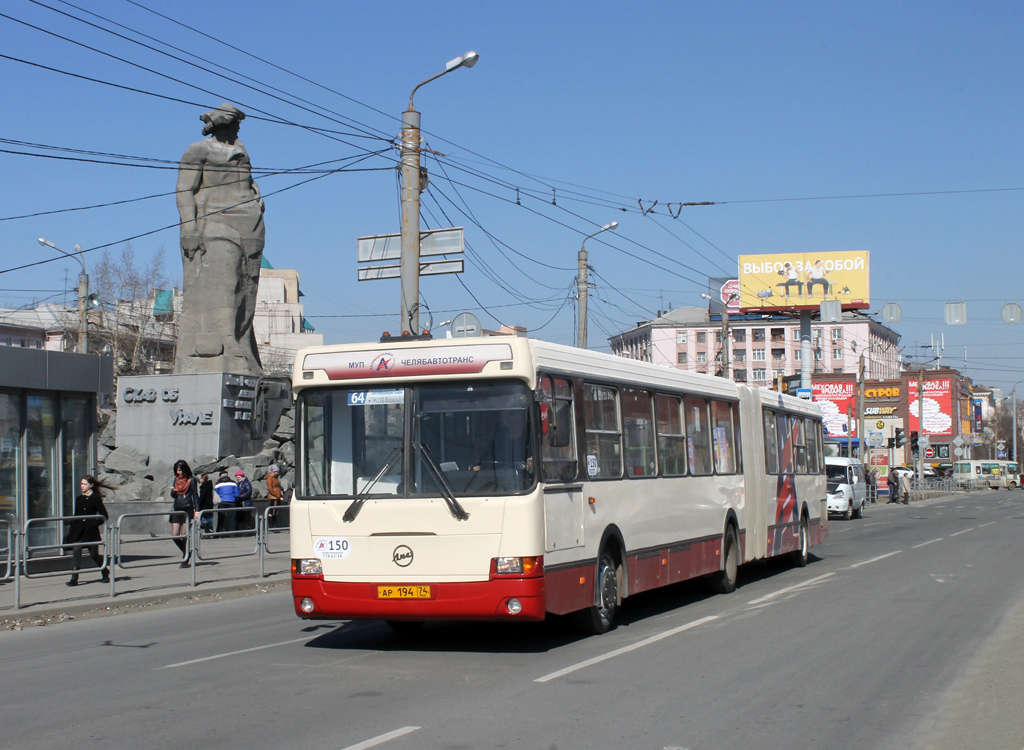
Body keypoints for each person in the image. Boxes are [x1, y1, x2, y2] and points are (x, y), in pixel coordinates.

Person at [175, 102, 265, 376]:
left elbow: (246, 181)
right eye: (233, 123)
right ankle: (219, 344)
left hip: (250, 225)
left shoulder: (241, 147)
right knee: (223, 282)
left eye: (238, 124)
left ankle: (242, 345)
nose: (237, 128)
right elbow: (184, 190)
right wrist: (189, 229)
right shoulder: (199, 150)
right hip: (214, 221)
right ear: (221, 124)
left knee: (246, 289)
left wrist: (257, 200)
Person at [65, 475, 112, 586]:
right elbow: (77, 514)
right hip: (78, 531)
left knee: (94, 555)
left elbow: (104, 515)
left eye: (85, 484)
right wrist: (72, 525)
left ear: (91, 485)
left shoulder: (95, 498)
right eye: (81, 484)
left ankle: (105, 571)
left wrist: (93, 523)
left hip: (91, 532)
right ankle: (74, 578)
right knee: (76, 552)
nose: (82, 486)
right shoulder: (79, 498)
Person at [169, 460, 198, 567]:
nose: (178, 472)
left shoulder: (191, 480)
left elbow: (195, 496)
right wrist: (173, 492)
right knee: (174, 535)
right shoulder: (176, 480)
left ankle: (185, 559)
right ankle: (186, 552)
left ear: (185, 469)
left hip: (187, 508)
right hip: (177, 507)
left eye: (180, 470)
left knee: (184, 535)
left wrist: (197, 511)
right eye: (176, 470)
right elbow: (174, 496)